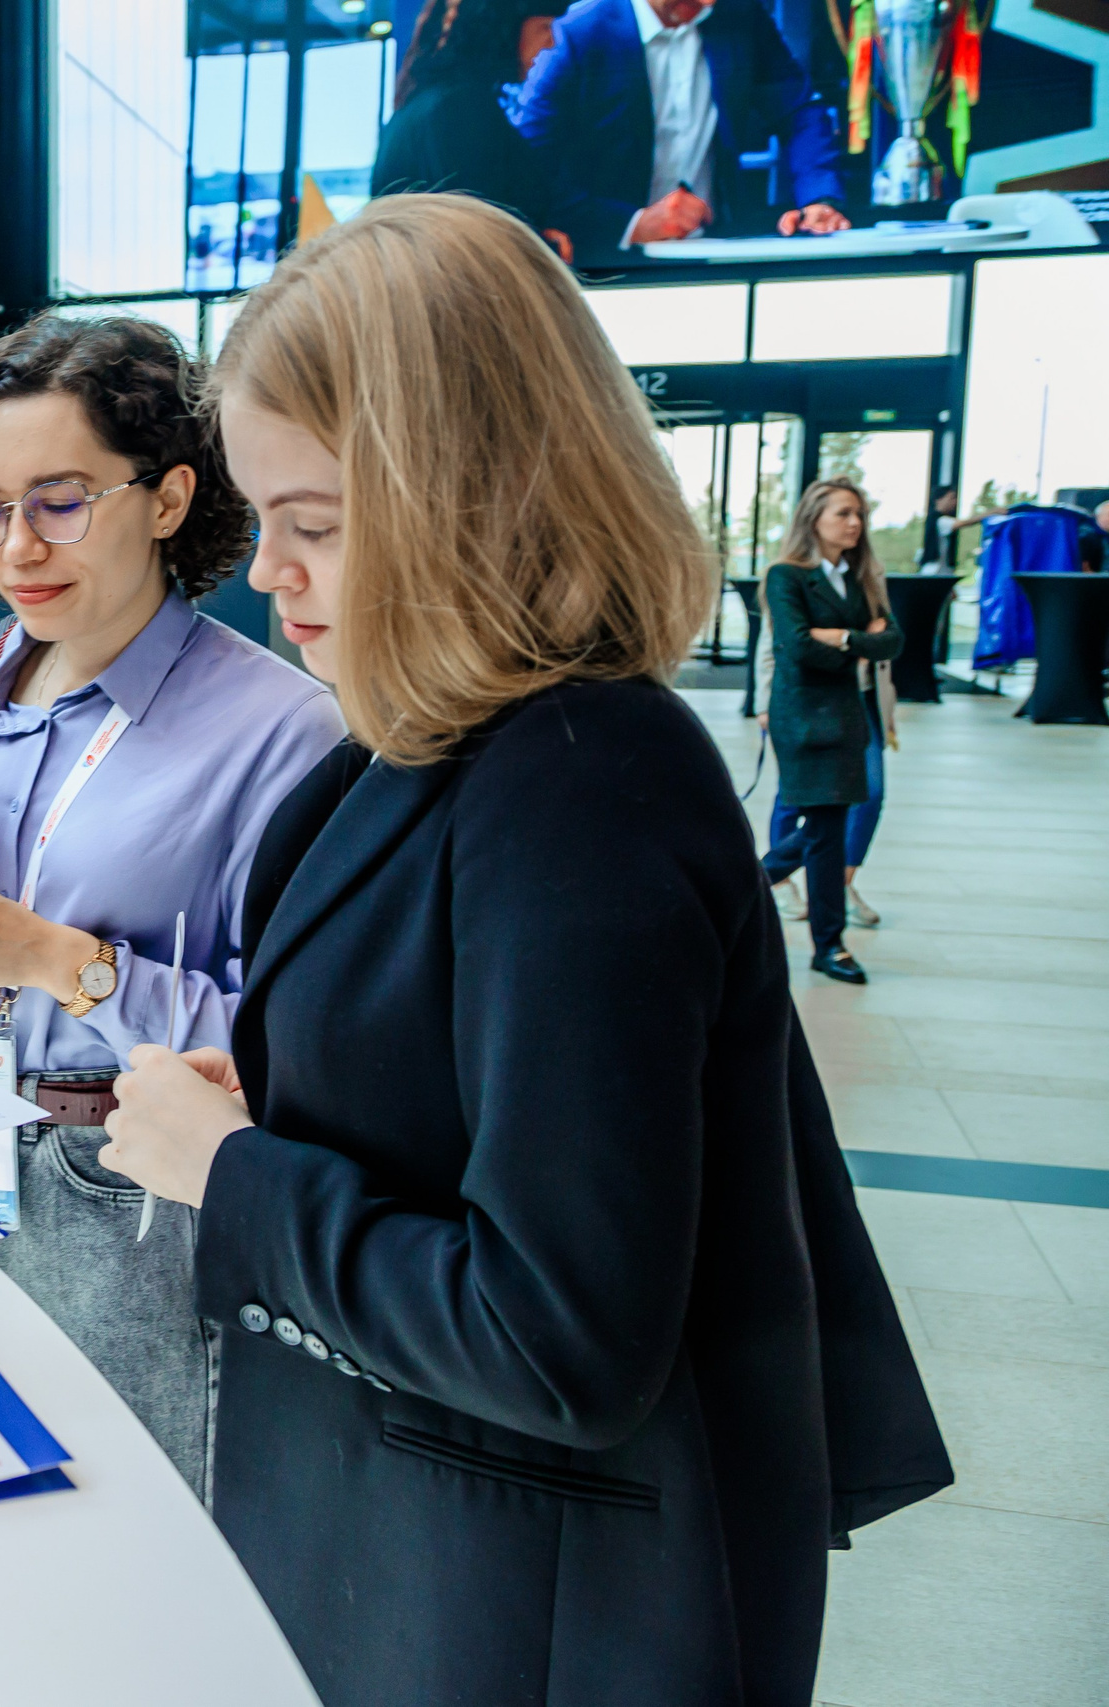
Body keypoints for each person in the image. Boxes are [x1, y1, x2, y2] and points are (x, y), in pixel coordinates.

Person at [96, 194, 947, 1705]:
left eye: (316, 525)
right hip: (437, 1548)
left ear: (469, 499)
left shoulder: (578, 783)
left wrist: (237, 1174)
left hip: (544, 1606)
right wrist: (284, 1099)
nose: (270, 572)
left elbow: (556, 1332)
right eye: (264, 522)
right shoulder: (449, 744)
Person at [0, 315, 346, 1496]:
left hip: (116, 1183)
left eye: (60, 501)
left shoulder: (280, 731)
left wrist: (68, 963)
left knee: (127, 1535)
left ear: (167, 498)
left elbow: (294, 1057)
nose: (17, 546)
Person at [509, 0, 848, 254]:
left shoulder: (740, 16)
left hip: (719, 246)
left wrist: (817, 200)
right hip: (607, 259)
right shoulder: (578, 32)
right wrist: (633, 225)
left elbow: (798, 110)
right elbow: (527, 167)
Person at [761, 477, 902, 983]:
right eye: (844, 513)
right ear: (813, 519)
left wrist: (841, 637)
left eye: (859, 515)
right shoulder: (786, 576)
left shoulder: (862, 577)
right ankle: (827, 943)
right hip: (803, 718)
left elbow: (893, 643)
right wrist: (861, 641)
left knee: (827, 828)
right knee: (824, 827)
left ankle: (755, 897)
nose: (854, 523)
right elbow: (796, 646)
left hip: (846, 714)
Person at [370, 0, 573, 257]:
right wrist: (543, 249)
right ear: (506, 29)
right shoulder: (459, 110)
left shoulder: (432, 101)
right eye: (544, 27)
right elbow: (479, 238)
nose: (552, 42)